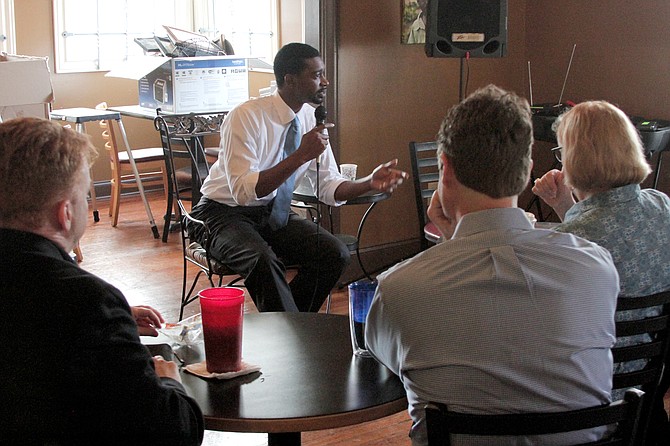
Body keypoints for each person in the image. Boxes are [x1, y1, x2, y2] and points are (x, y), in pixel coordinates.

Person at [365, 85, 620, 445]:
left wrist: (454, 242)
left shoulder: (400, 288)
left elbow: (391, 363)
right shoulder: (597, 267)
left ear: (445, 167)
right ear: (528, 170)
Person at [0, 118, 204, 445]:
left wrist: (117, 321)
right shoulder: (89, 303)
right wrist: (168, 382)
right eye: (85, 195)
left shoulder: (92, 308)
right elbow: (172, 432)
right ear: (65, 213)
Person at [191, 42, 407, 313]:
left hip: (273, 213)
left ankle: (292, 327)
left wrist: (368, 182)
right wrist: (300, 155)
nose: (325, 81)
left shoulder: (309, 118)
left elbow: (328, 186)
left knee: (335, 254)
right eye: (316, 75)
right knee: (263, 262)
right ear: (289, 80)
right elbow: (243, 192)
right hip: (220, 214)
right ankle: (293, 334)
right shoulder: (246, 117)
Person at [532, 100, 670, 444]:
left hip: (587, 400)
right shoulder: (663, 208)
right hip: (649, 389)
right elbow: (609, 238)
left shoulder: (564, 244)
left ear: (574, 160)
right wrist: (567, 206)